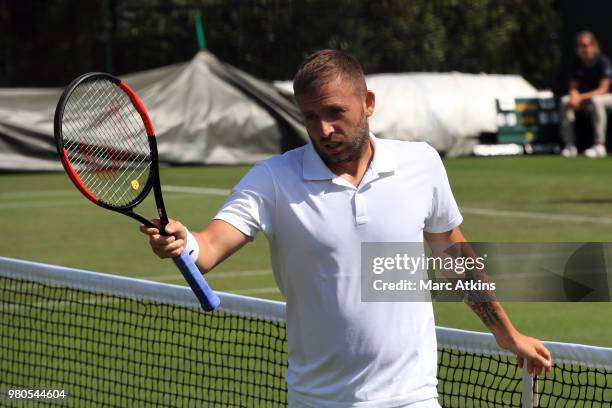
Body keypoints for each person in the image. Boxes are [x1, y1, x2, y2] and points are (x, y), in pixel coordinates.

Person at [141, 50, 552, 407]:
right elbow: (208, 247)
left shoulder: (421, 164)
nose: (324, 130)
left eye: (335, 112)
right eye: (311, 117)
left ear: (368, 102)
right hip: (318, 401)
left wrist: (506, 333)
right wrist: (183, 242)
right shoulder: (272, 179)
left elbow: (454, 255)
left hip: (413, 398)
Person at [560, 30, 612, 158]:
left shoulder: (603, 62)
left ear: (593, 46)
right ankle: (569, 145)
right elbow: (573, 87)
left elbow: (603, 90)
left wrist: (579, 97)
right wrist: (573, 96)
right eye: (581, 46)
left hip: (606, 98)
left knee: (597, 100)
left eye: (587, 45)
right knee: (564, 101)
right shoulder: (576, 63)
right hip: (586, 99)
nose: (584, 49)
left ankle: (599, 145)